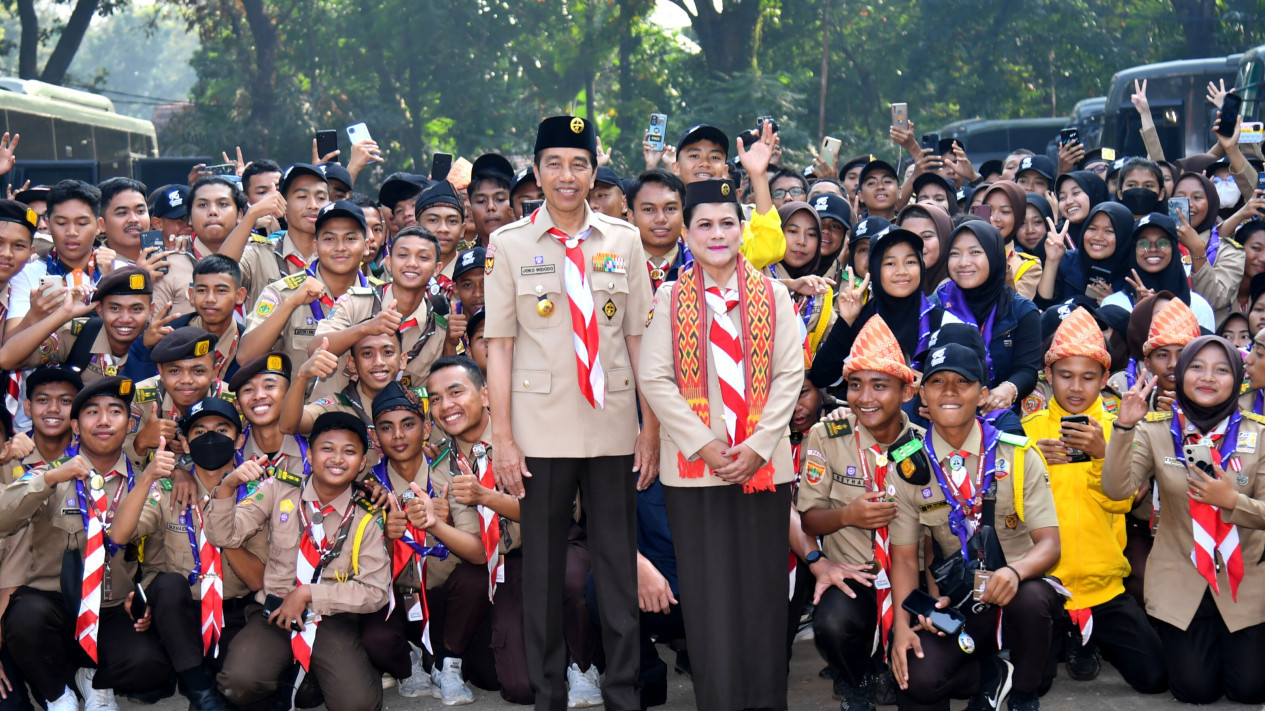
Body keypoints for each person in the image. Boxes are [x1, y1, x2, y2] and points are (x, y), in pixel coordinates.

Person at [485, 115, 653, 711]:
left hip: (613, 426)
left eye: (578, 163)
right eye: (554, 163)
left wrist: (650, 428)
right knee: (543, 573)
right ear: (536, 172)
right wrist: (503, 438)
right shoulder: (510, 245)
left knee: (618, 570)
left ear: (594, 171)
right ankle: (548, 696)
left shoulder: (624, 240)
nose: (566, 175)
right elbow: (499, 347)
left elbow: (639, 340)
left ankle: (623, 693)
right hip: (541, 430)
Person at [639, 179, 804, 710]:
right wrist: (704, 444)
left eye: (727, 223)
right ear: (686, 234)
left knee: (762, 595)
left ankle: (765, 702)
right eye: (704, 224)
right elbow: (655, 378)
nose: (717, 234)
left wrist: (758, 444)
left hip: (764, 467)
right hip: (694, 472)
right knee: (709, 599)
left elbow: (790, 374)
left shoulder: (774, 295)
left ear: (742, 230)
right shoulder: (669, 298)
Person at [887, 342, 1061, 711]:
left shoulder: (1018, 454)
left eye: (962, 382)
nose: (949, 392)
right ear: (923, 394)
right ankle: (992, 674)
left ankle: (1023, 692)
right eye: (937, 382)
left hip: (1018, 593)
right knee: (916, 678)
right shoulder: (908, 466)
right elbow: (903, 557)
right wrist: (901, 627)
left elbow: (1050, 544)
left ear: (982, 395)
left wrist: (1015, 572)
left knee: (1031, 601)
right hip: (960, 600)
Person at [1104, 336, 1265, 704]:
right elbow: (1116, 490)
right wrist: (1123, 428)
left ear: (1237, 378)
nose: (1208, 377)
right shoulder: (1156, 430)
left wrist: (1232, 501)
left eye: (1221, 370)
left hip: (1245, 581)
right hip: (1182, 579)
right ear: (1180, 374)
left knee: (1250, 689)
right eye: (1197, 367)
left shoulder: (1258, 434)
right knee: (1195, 690)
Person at [0, 376, 173, 711]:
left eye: (115, 412)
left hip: (112, 607)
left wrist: (145, 598)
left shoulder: (146, 482)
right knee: (24, 619)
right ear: (76, 426)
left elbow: (152, 555)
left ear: (130, 424)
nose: (104, 421)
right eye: (93, 412)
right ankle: (58, 695)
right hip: (54, 606)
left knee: (149, 666)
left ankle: (93, 681)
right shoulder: (48, 472)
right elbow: (3, 520)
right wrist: (49, 479)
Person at [1020, 308, 1167, 693]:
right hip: (1047, 584)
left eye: (1088, 377)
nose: (1075, 387)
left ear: (1104, 379)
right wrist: (1033, 461)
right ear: (1048, 374)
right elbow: (1012, 509)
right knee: (1033, 686)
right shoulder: (1027, 430)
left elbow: (1123, 503)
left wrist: (1105, 453)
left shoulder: (1122, 427)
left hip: (1104, 585)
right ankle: (1073, 638)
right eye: (1065, 375)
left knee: (1154, 677)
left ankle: (1088, 638)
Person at [207, 412, 389, 711]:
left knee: (357, 705)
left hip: (331, 617)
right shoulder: (278, 489)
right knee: (238, 683)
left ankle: (318, 675)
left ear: (361, 463)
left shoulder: (367, 514)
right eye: (327, 448)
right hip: (273, 612)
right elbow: (223, 536)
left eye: (349, 451)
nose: (337, 459)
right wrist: (229, 485)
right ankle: (289, 676)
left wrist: (307, 593)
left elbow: (375, 591)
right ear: (311, 455)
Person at [110, 397, 268, 711]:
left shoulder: (258, 491)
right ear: (184, 442)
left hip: (232, 610)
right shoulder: (167, 488)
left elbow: (256, 581)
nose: (210, 438)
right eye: (199, 432)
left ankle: (203, 675)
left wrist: (222, 525)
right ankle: (199, 689)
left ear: (239, 439)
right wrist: (148, 476)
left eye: (222, 430)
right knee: (169, 585)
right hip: (177, 611)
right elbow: (119, 536)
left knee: (245, 682)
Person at [798, 315, 919, 709]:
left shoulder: (923, 445)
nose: (865, 397)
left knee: (926, 670)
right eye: (855, 384)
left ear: (906, 391)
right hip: (854, 573)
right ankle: (857, 679)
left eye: (879, 385)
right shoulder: (827, 436)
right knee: (832, 623)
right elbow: (808, 518)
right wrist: (847, 516)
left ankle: (889, 663)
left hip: (908, 577)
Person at [811, 225, 952, 392]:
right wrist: (846, 321)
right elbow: (821, 376)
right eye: (890, 263)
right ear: (875, 269)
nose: (901, 271)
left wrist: (928, 384)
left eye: (910, 262)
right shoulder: (864, 318)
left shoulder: (942, 321)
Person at [238, 200, 376, 367]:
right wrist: (291, 303)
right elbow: (245, 357)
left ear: (366, 246)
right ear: (315, 247)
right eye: (329, 239)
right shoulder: (284, 292)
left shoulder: (379, 297)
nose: (340, 247)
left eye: (350, 238)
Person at [314, 226, 448, 388]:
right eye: (403, 255)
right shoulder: (356, 302)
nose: (412, 263)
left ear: (437, 269)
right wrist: (365, 328)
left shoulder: (436, 330)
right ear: (389, 263)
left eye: (423, 257)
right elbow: (315, 348)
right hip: (334, 402)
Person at [933, 222, 1042, 412]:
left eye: (975, 252)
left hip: (998, 412)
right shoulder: (935, 306)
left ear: (994, 255)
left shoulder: (1022, 311)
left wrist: (1009, 389)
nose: (963, 262)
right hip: (941, 410)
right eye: (955, 253)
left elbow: (1026, 370)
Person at [0, 266, 156, 383]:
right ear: (99, 310)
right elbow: (7, 359)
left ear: (151, 310)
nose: (125, 319)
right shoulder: (78, 334)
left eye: (136, 309)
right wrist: (63, 313)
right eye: (115, 308)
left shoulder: (159, 343)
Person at [128, 326, 235, 469]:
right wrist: (141, 442)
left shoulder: (233, 401)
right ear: (161, 371)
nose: (186, 380)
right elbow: (123, 467)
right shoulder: (139, 398)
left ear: (214, 372)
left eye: (198, 371)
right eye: (175, 371)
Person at [229, 353, 311, 478]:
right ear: (238, 405)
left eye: (269, 386)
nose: (258, 396)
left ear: (289, 396)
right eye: (248, 389)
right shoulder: (232, 456)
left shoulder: (315, 447)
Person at [626, 169, 689, 295]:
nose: (661, 219)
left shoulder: (699, 264)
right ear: (631, 216)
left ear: (683, 214)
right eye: (649, 209)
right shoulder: (619, 263)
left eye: (670, 209)